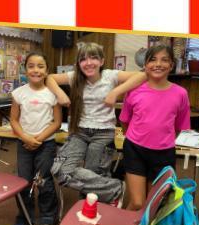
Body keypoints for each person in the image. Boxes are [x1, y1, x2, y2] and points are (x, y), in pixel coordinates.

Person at [46, 42, 146, 204]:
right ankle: (115, 188)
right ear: (79, 63)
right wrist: (60, 94)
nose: (89, 63)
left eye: (94, 58)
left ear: (102, 61)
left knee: (94, 173)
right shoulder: (74, 77)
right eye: (83, 59)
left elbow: (143, 75)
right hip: (79, 132)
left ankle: (93, 207)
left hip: (103, 134)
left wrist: (116, 91)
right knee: (60, 170)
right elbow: (49, 78)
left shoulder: (110, 76)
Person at [119, 45, 191, 209]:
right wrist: (134, 138)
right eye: (153, 60)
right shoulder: (134, 90)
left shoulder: (181, 93)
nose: (158, 64)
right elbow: (124, 120)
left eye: (164, 60)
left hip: (163, 154)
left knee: (153, 205)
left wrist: (163, 140)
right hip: (135, 150)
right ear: (145, 65)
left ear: (171, 65)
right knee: (137, 202)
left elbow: (179, 126)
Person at [9, 52, 62, 225]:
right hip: (24, 144)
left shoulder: (52, 94)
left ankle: (48, 215)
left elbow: (57, 122)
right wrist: (26, 138)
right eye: (31, 66)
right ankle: (25, 215)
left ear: (47, 71)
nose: (35, 70)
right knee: (24, 181)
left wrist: (37, 139)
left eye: (40, 66)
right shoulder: (18, 93)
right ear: (25, 70)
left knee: (43, 180)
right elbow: (14, 120)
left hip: (45, 144)